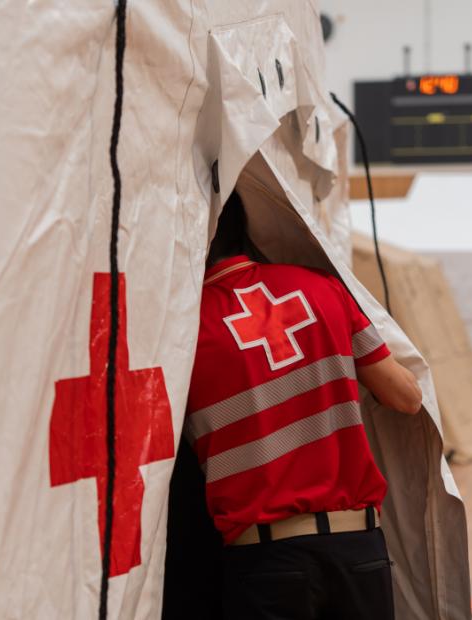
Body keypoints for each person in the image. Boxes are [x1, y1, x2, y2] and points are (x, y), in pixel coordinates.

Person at [174, 190, 423, 620]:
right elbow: (407, 398)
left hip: (264, 560)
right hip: (358, 548)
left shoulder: (182, 332)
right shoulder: (323, 288)